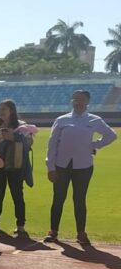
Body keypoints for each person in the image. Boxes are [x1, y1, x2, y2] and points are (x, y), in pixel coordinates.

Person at [45, 89, 116, 246]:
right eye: (75, 99)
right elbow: (52, 144)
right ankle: (53, 231)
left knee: (79, 199)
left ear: (87, 101)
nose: (78, 102)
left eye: (81, 99)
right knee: (58, 199)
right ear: (72, 101)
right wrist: (50, 167)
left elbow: (111, 135)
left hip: (83, 166)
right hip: (61, 165)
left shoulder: (94, 120)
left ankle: (81, 233)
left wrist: (94, 145)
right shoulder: (61, 120)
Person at [0, 100, 37, 237]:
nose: (1, 112)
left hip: (15, 165)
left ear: (11, 111)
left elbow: (29, 143)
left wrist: (14, 138)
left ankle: (20, 225)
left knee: (17, 195)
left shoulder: (21, 127)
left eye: (4, 109)